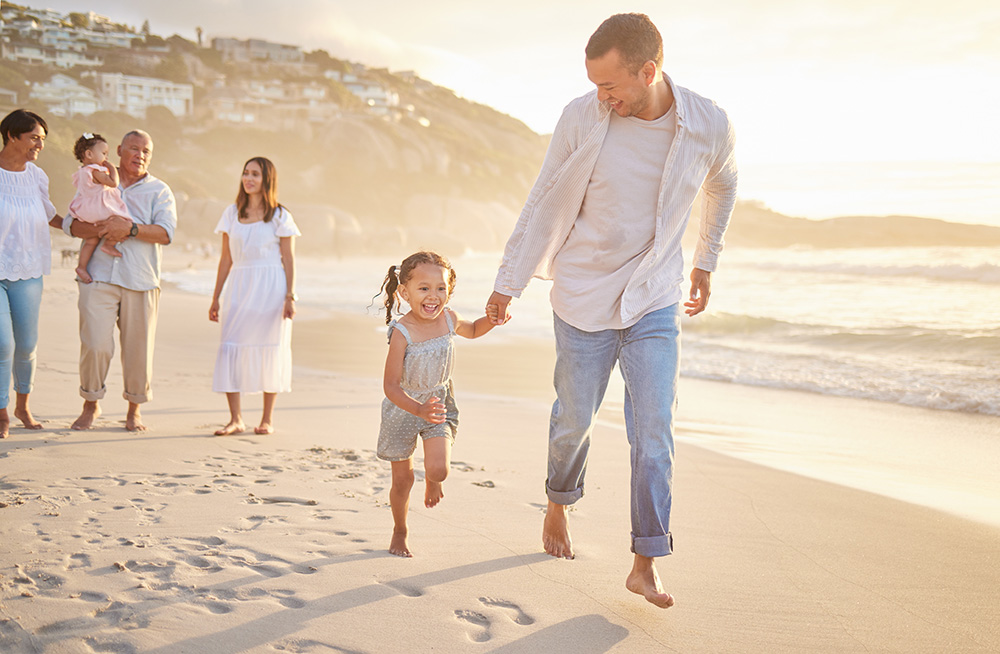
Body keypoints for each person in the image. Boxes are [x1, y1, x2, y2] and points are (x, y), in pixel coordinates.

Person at [485, 14, 737, 608]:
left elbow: (724, 184)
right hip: (583, 293)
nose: (603, 97)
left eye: (612, 86)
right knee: (574, 417)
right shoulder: (582, 117)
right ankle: (558, 500)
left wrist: (707, 259)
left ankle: (645, 561)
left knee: (654, 432)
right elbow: (544, 198)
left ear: (648, 71)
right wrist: (508, 282)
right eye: (595, 84)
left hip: (653, 296)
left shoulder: (707, 124)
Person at [376, 251, 499, 557]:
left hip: (437, 402)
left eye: (441, 288)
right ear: (404, 293)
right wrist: (416, 409)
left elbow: (472, 330)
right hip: (403, 407)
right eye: (424, 288)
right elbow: (390, 386)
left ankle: (432, 481)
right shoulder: (402, 333)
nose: (434, 296)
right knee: (403, 480)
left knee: (440, 469)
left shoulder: (449, 319)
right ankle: (400, 530)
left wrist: (493, 320)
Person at [63, 130, 177, 432]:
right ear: (119, 150)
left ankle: (134, 409)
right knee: (95, 344)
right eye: (134, 148)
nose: (140, 155)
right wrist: (87, 229)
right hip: (97, 274)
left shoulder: (160, 191)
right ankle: (91, 404)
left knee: (138, 349)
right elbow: (70, 220)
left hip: (141, 278)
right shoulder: (94, 177)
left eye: (146, 151)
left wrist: (131, 229)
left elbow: (166, 233)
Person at [208, 157, 299, 436]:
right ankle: (235, 419)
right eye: (246, 173)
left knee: (271, 347)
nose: (248, 178)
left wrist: (290, 296)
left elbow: (289, 259)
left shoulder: (280, 216)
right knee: (231, 344)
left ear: (266, 179)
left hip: (271, 288)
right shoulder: (231, 213)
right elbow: (226, 259)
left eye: (255, 174)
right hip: (239, 285)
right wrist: (216, 297)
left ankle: (266, 419)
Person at [0, 109, 63, 439]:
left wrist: (84, 226)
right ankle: (1, 414)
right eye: (35, 137)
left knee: (26, 344)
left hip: (27, 268)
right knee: (2, 344)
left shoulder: (37, 176)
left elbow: (49, 214)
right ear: (12, 135)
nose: (40, 144)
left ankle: (23, 405)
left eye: (43, 139)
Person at [68, 132, 133, 284]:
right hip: (99, 207)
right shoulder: (96, 171)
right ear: (89, 154)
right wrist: (111, 168)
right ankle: (108, 245)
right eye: (104, 153)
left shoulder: (82, 171)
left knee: (91, 240)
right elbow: (112, 183)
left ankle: (81, 267)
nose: (106, 158)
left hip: (86, 208)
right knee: (121, 220)